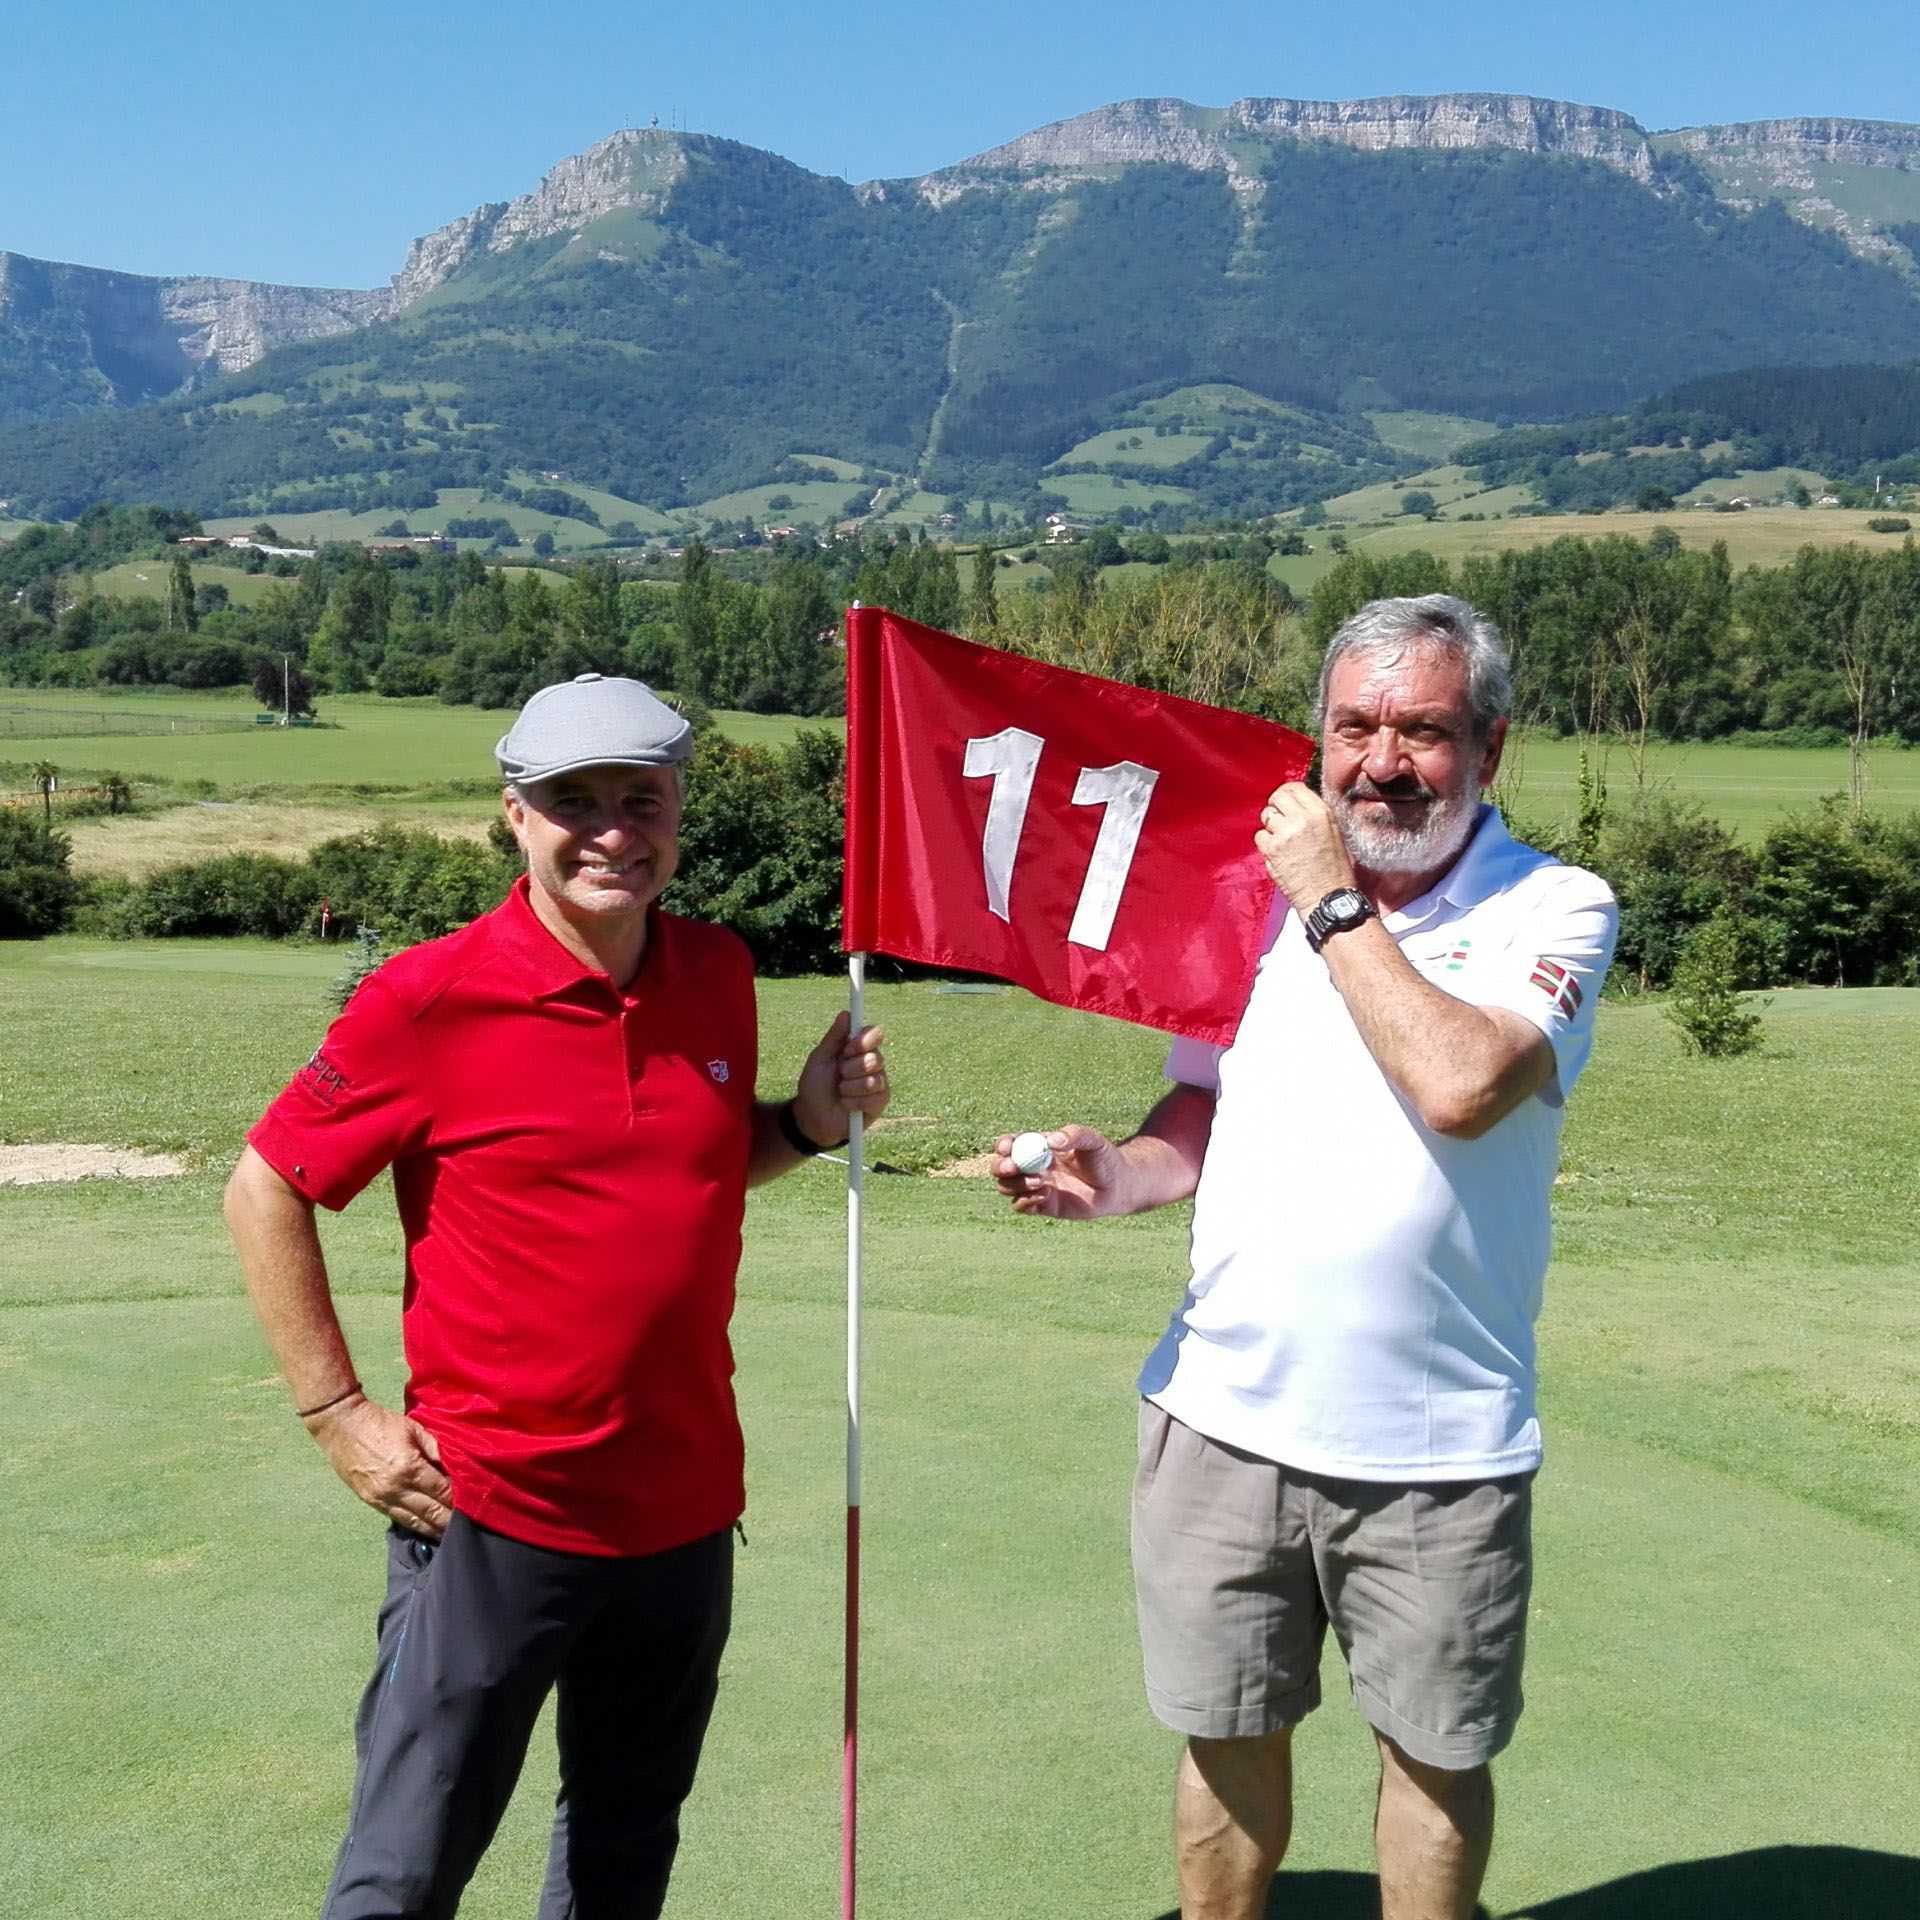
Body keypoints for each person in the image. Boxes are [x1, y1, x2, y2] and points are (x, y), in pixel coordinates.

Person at [225, 672, 889, 1920]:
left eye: (642, 800)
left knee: (622, 1853)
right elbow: (266, 1186)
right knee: (405, 1866)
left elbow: (693, 1161)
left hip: (683, 1508)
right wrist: (338, 1414)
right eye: (574, 800)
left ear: (678, 809)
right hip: (491, 1507)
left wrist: (802, 1125)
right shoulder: (427, 996)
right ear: (515, 814)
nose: (612, 832)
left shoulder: (717, 969)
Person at [994, 596, 1618, 1920]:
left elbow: (1462, 1085)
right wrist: (1120, 1177)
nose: (1383, 763)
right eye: (1354, 727)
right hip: (1221, 1416)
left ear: (1489, 747)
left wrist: (1331, 901)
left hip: (1439, 1445)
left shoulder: (1554, 905)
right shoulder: (1251, 902)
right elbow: (1201, 1108)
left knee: (1434, 1759)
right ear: (1318, 738)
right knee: (1223, 1736)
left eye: (1423, 730)